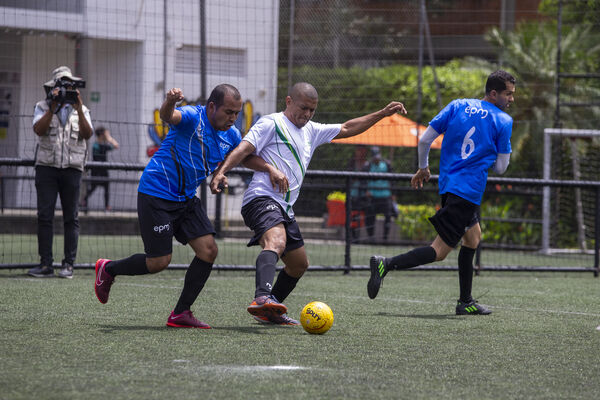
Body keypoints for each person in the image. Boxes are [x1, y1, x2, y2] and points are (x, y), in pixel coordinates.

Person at [210, 82, 407, 325]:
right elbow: (243, 148)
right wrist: (221, 172)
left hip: (284, 207)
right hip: (261, 199)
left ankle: (270, 312)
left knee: (298, 264)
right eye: (303, 108)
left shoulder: (312, 130)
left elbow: (347, 127)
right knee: (276, 241)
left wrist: (381, 114)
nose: (307, 114)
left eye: (312, 110)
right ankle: (261, 298)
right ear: (289, 101)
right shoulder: (271, 123)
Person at [94, 85, 285, 329]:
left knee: (208, 251)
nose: (233, 118)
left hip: (185, 199)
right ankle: (108, 269)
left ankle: (181, 313)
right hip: (156, 193)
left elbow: (243, 156)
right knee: (159, 262)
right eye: (228, 112)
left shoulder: (232, 135)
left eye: (236, 113)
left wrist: (264, 169)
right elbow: (168, 116)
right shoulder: (193, 117)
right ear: (212, 106)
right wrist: (170, 101)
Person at [367, 70, 516, 315]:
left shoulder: (457, 105)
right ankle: (386, 265)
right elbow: (501, 168)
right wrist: (485, 158)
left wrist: (423, 167)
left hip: (449, 185)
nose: (511, 99)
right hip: (468, 191)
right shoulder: (504, 121)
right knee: (438, 252)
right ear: (493, 93)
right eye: (508, 94)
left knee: (473, 238)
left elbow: (425, 140)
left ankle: (465, 302)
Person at [28, 66, 93, 279]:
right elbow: (38, 129)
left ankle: (68, 265)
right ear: (53, 87)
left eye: (70, 85)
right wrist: (52, 107)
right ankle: (45, 264)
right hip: (46, 168)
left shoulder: (81, 110)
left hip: (72, 169)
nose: (67, 89)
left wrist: (80, 106)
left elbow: (87, 133)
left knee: (71, 217)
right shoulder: (42, 106)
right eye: (63, 85)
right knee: (45, 216)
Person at [83, 126, 119, 211]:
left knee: (106, 189)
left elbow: (116, 146)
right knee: (92, 188)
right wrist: (109, 138)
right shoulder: (96, 146)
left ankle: (107, 207)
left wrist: (108, 138)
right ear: (102, 135)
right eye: (106, 134)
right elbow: (115, 145)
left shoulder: (103, 145)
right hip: (96, 171)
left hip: (104, 171)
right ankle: (84, 202)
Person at [364, 146, 394, 241]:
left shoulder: (387, 164)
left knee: (388, 216)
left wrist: (393, 194)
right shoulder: (367, 166)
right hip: (372, 196)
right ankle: (371, 237)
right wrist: (366, 190)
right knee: (370, 217)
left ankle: (385, 238)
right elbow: (363, 180)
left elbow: (393, 180)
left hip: (385, 196)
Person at [347, 145, 369, 241]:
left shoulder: (367, 164)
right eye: (359, 150)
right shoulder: (352, 163)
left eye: (362, 151)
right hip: (353, 194)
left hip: (363, 195)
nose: (360, 153)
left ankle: (361, 236)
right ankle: (352, 236)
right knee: (352, 216)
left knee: (363, 216)